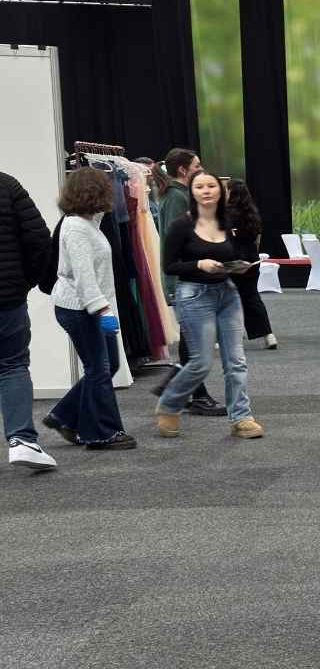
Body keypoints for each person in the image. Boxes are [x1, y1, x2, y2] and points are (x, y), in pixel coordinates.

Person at [157, 171, 264, 439]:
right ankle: (170, 403)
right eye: (199, 186)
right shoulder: (181, 226)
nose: (206, 191)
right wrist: (199, 264)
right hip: (194, 295)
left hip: (227, 293)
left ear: (220, 191)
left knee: (236, 361)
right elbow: (169, 266)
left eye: (211, 186)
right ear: (192, 192)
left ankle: (241, 417)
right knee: (201, 362)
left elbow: (232, 253)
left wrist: (238, 266)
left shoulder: (226, 222)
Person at [42, 167, 136, 451]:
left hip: (89, 307)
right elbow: (84, 278)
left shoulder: (88, 224)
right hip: (80, 309)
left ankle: (64, 416)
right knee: (99, 368)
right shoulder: (76, 228)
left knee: (108, 364)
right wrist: (104, 312)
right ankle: (102, 433)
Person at [149, 149, 224, 415]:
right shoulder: (176, 198)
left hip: (189, 276)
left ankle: (182, 390)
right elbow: (177, 241)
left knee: (192, 337)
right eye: (196, 166)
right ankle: (189, 392)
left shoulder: (178, 196)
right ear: (183, 170)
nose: (201, 170)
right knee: (195, 339)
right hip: (185, 278)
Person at [0, 171, 57, 470]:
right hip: (6, 295)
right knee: (12, 366)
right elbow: (38, 238)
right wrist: (27, 280)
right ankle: (22, 441)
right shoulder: (6, 184)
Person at [223, 180, 278, 351]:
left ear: (231, 193)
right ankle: (268, 334)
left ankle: (231, 334)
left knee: (227, 298)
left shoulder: (226, 213)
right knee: (252, 297)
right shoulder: (252, 213)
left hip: (233, 260)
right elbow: (257, 239)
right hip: (252, 260)